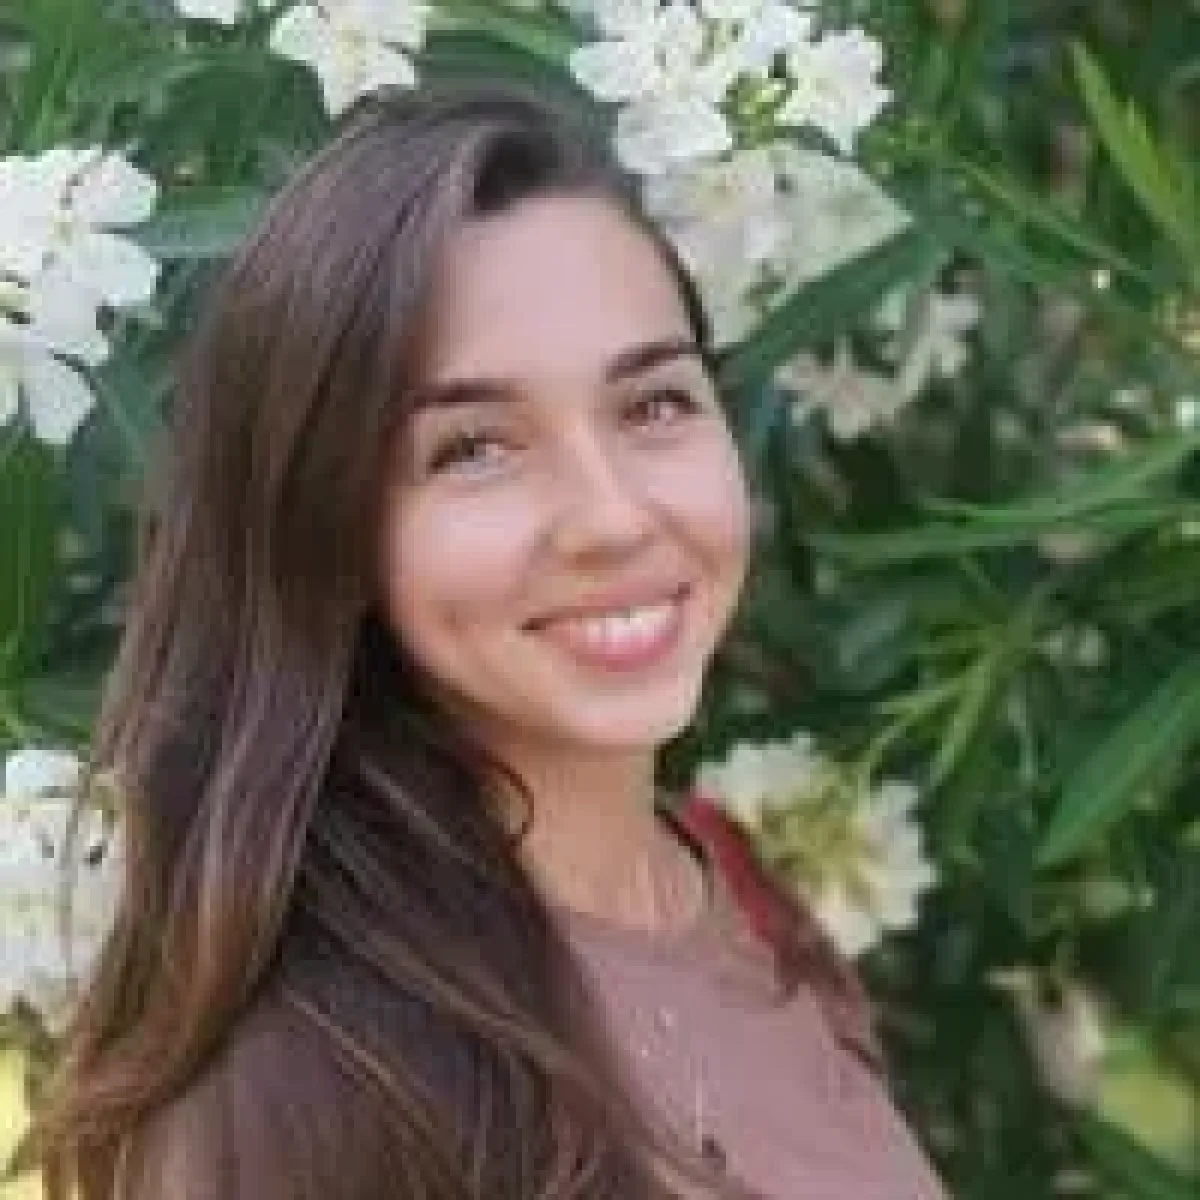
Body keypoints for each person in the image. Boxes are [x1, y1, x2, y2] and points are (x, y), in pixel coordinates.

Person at [33, 86, 946, 1199]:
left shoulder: (743, 896)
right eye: (473, 449)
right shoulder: (313, 1097)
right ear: (331, 530)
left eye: (653, 404)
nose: (612, 517)